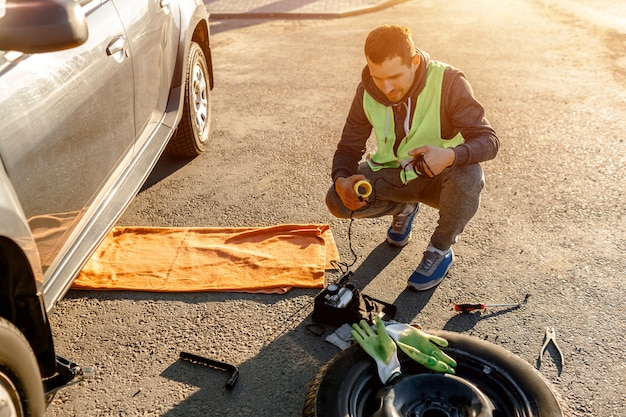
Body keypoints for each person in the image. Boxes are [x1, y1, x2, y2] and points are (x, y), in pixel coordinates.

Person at [326, 24, 499, 291]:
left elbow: (489, 141)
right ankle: (404, 207)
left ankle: (439, 250)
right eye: (378, 77)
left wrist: (450, 155)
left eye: (395, 76)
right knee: (337, 200)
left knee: (469, 175)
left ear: (415, 62)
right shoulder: (367, 90)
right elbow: (349, 148)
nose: (386, 87)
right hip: (393, 175)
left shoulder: (449, 81)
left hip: (438, 178)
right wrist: (341, 179)